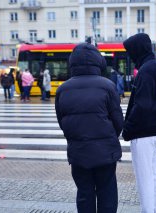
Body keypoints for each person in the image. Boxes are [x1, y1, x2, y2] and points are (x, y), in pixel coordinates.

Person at [55, 43, 123, 213]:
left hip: (79, 152)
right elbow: (118, 121)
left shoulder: (63, 89)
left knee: (84, 194)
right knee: (107, 193)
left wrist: (78, 137)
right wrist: (107, 137)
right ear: (98, 62)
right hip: (105, 153)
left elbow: (62, 122)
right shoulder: (107, 86)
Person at [123, 33, 156, 213]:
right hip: (155, 131)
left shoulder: (146, 70)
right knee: (155, 174)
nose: (130, 56)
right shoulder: (155, 66)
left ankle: (148, 210)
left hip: (143, 133)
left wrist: (127, 129)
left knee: (144, 178)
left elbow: (141, 105)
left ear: (137, 50)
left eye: (131, 52)